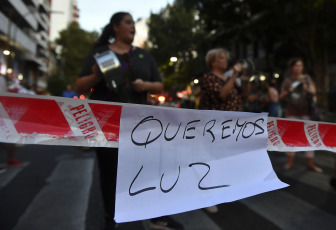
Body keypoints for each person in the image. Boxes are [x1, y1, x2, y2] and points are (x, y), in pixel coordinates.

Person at [76, 12, 183, 230]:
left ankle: (156, 215)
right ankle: (111, 218)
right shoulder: (99, 53)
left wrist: (146, 86)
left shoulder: (144, 55)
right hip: (108, 125)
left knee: (149, 168)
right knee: (109, 173)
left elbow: (159, 85)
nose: (133, 26)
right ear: (115, 27)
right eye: (128, 23)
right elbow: (80, 87)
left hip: (140, 123)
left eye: (134, 23)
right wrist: (96, 75)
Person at [199, 48, 248, 213]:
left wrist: (244, 78)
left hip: (232, 125)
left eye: (225, 58)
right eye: (221, 58)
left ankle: (222, 190)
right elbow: (222, 95)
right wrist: (234, 75)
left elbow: (243, 95)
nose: (225, 61)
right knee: (211, 162)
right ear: (213, 62)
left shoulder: (229, 78)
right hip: (214, 127)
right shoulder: (209, 78)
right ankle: (207, 197)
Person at [279, 57, 322, 173]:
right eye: (296, 65)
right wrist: (289, 91)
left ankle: (310, 163)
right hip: (292, 113)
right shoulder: (287, 81)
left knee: (310, 139)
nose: (299, 68)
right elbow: (281, 97)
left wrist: (305, 87)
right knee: (291, 139)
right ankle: (290, 162)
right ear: (291, 68)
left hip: (306, 113)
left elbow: (313, 92)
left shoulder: (306, 79)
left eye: (300, 65)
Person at [0, 73, 22, 169]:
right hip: (2, 110)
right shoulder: (1, 79)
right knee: (9, 134)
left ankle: (11, 158)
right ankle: (11, 158)